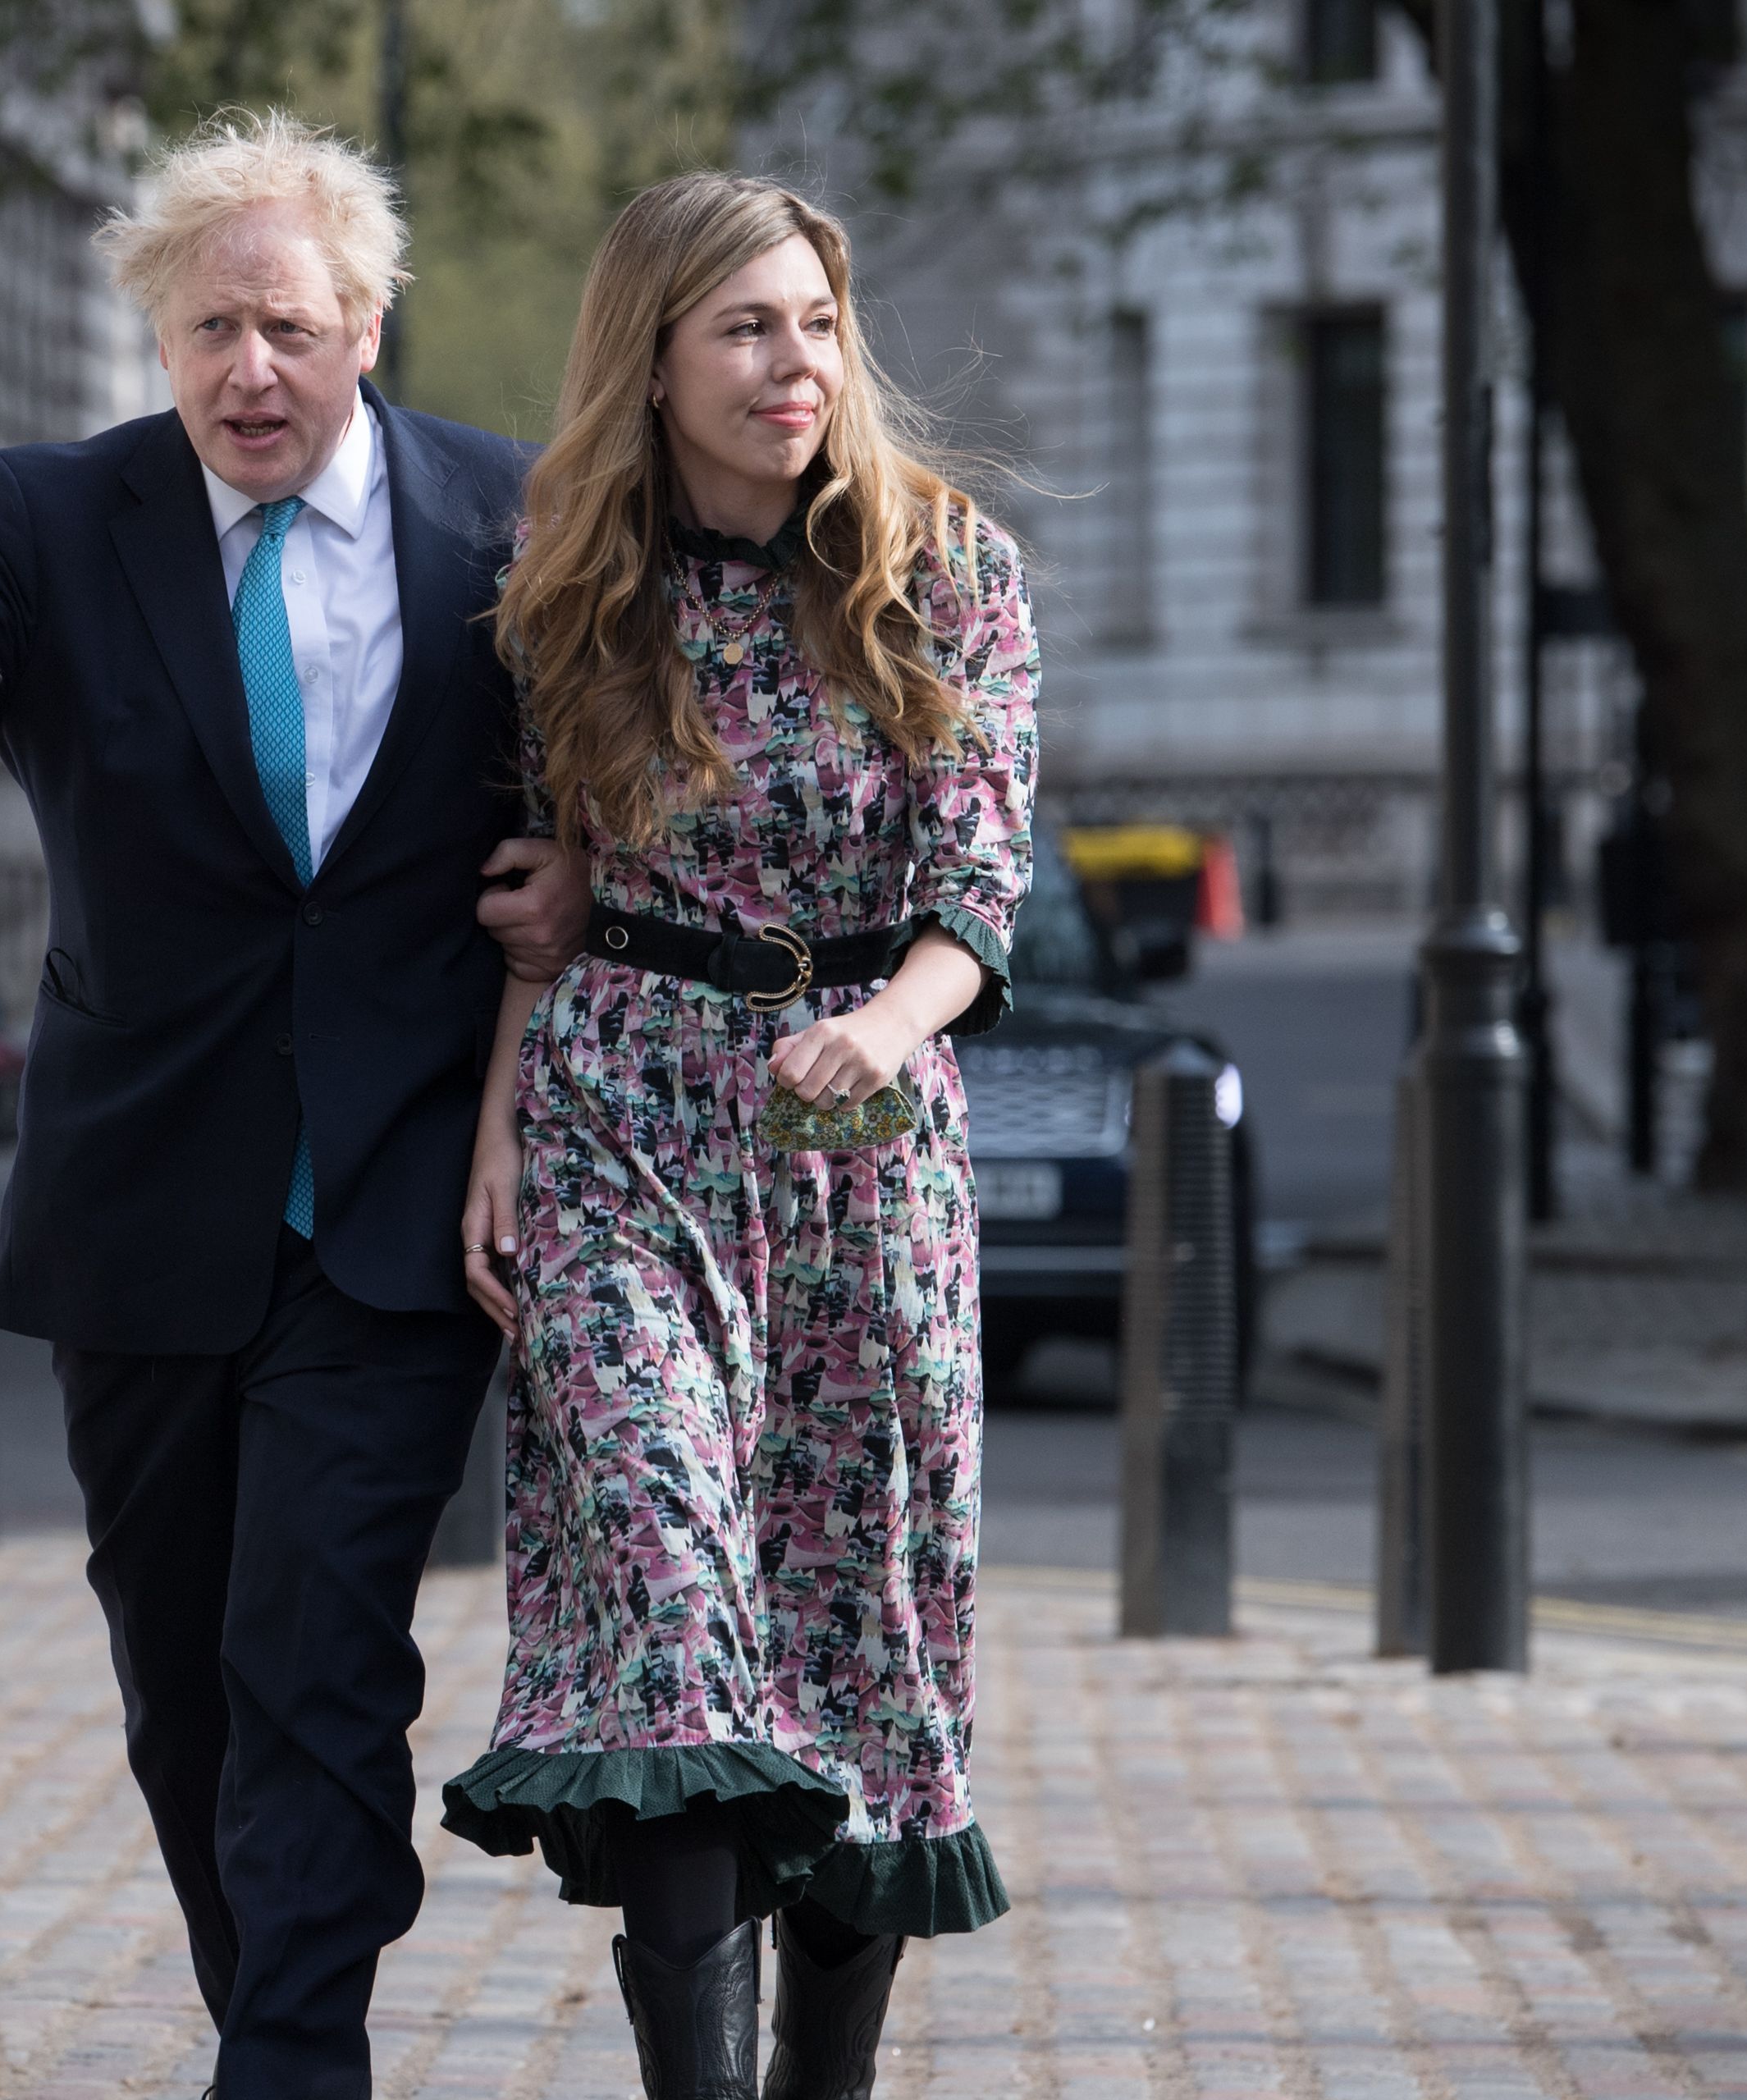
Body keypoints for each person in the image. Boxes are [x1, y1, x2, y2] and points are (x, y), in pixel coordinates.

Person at [0, 111, 587, 2100]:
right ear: (158, 333)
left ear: (363, 325)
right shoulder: (51, 517)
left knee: (317, 1649)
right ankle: (276, 2008)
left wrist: (581, 879)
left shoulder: (506, 514)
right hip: (148, 1194)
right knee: (183, 1677)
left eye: (288, 328)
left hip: (393, 1196)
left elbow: (611, 771)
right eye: (210, 328)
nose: (249, 372)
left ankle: (289, 2065)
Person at [438, 172, 1036, 2100]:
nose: (793, 364)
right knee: (675, 1614)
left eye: (813, 322)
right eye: (744, 328)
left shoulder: (940, 563)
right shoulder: (572, 577)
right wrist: (497, 1132)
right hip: (622, 1113)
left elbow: (977, 887)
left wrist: (875, 1024)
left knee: (854, 1630)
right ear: (654, 356)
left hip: (862, 1143)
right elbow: (553, 883)